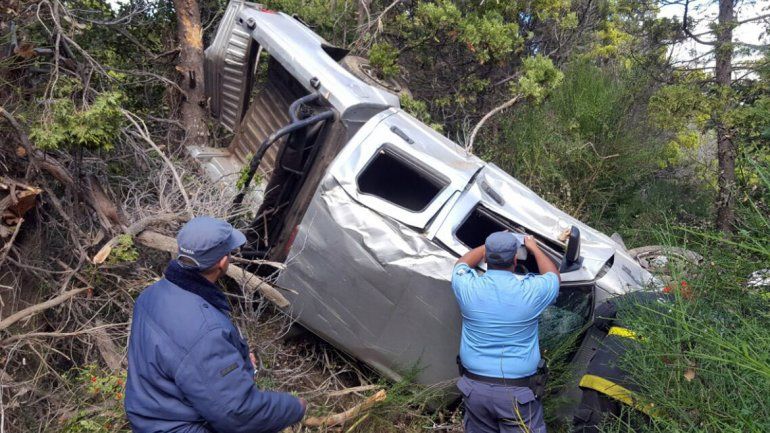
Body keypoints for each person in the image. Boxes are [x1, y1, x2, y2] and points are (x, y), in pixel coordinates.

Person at [125, 216, 306, 433]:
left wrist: (234, 358)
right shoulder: (205, 330)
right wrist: (294, 407)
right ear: (222, 262)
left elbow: (178, 358)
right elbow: (239, 414)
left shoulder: (151, 295)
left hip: (149, 417)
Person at [451, 231, 561, 433]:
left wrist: (489, 245)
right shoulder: (531, 292)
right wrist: (534, 248)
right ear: (515, 259)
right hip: (516, 395)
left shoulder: (467, 286)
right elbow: (553, 276)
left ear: (485, 258)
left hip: (474, 391)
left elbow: (461, 264)